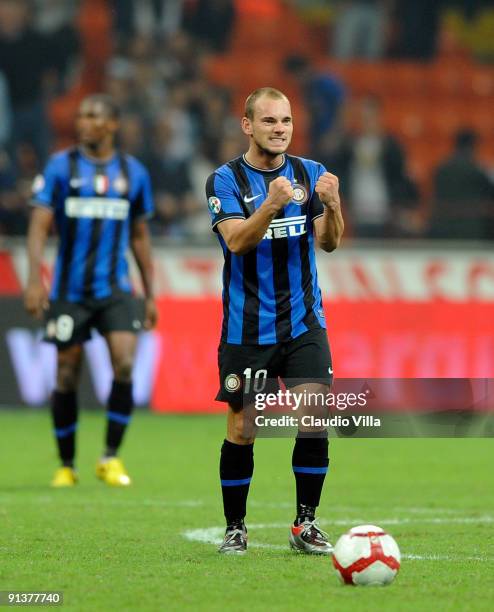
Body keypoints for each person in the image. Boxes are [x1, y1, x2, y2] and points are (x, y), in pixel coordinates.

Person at [205, 87, 344, 554]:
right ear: (247, 125)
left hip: (305, 321)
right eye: (269, 121)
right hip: (248, 327)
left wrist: (335, 206)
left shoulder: (312, 174)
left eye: (285, 121)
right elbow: (238, 243)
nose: (279, 129)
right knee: (244, 428)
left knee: (315, 413)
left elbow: (328, 242)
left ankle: (305, 524)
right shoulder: (224, 181)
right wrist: (270, 204)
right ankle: (235, 528)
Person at [24, 94, 157, 488]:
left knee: (126, 363)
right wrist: (35, 278)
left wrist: (150, 294)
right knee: (66, 373)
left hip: (115, 289)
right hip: (70, 290)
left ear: (112, 124)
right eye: (82, 115)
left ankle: (110, 457)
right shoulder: (60, 166)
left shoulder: (133, 173)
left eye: (93, 115)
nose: (84, 121)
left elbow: (139, 237)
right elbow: (37, 225)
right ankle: (67, 465)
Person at [429, 129, 493, 240]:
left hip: (442, 226)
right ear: (473, 146)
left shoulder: (441, 168)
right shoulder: (478, 170)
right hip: (473, 228)